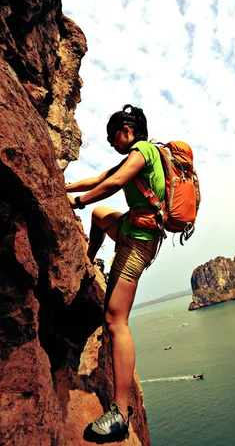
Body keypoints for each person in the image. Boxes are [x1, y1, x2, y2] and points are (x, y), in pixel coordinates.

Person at [66, 104, 165, 443]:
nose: (111, 143)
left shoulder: (142, 150)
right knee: (99, 217)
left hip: (138, 243)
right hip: (129, 226)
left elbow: (116, 182)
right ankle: (90, 260)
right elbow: (100, 179)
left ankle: (119, 415)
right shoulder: (135, 155)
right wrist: (63, 188)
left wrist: (78, 202)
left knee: (114, 320)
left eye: (112, 137)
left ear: (127, 129)